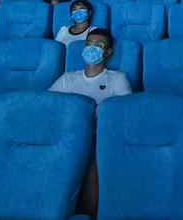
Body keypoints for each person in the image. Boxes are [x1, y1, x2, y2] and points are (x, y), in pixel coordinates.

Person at [48, 28, 132, 217]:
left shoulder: (117, 79)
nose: (91, 48)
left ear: (108, 52)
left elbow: (124, 115)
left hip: (99, 138)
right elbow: (49, 107)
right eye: (88, 44)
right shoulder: (68, 78)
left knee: (94, 162)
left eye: (98, 45)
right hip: (65, 138)